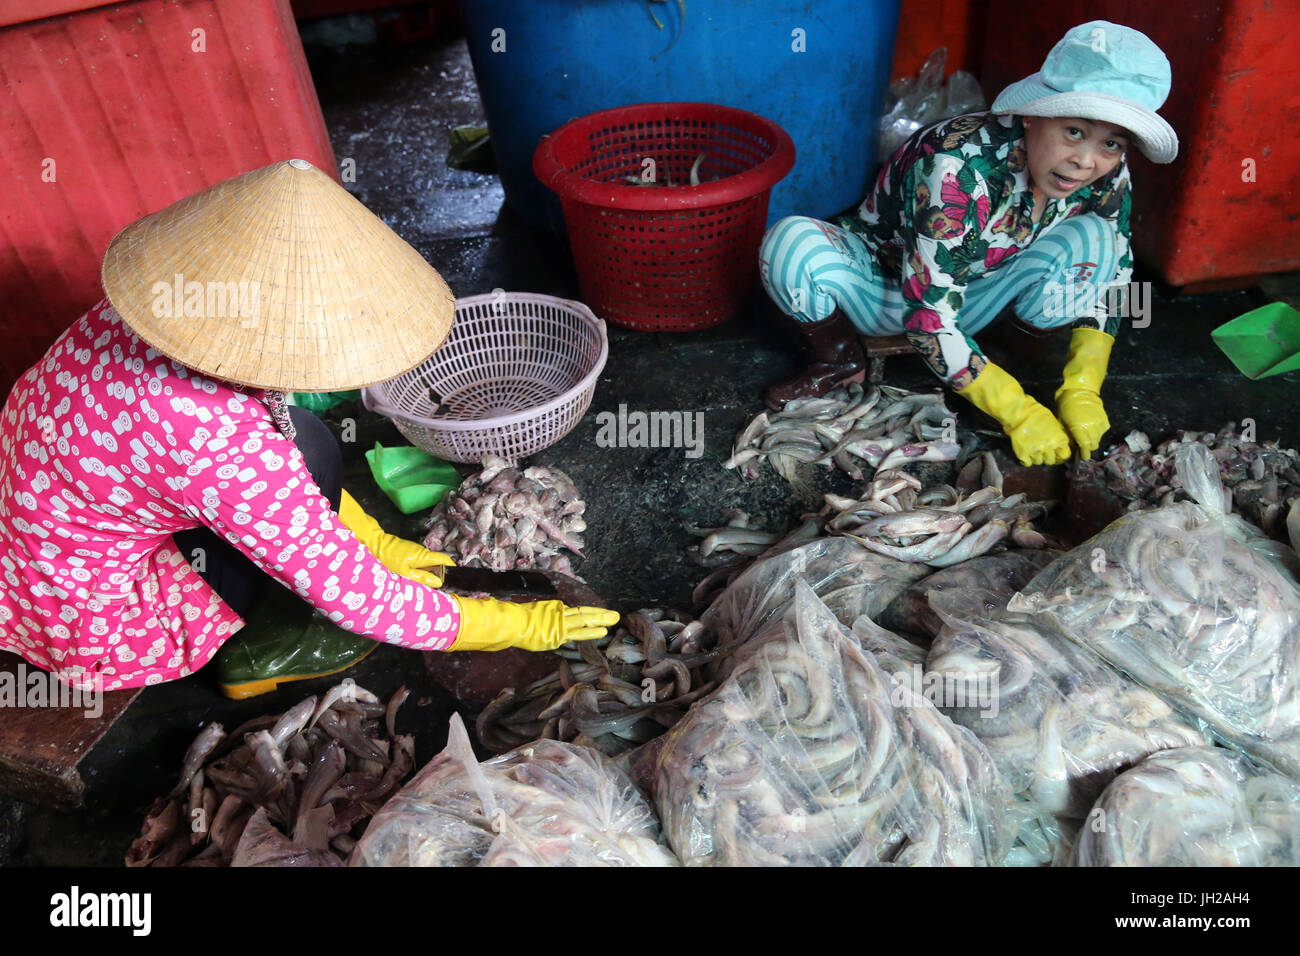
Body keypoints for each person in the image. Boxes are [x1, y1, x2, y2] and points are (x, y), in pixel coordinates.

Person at [0, 159, 617, 696]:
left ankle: (304, 568)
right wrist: (510, 625)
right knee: (306, 476)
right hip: (98, 621)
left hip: (34, 548)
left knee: (307, 443)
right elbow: (362, 598)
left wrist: (381, 544)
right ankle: (266, 648)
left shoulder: (162, 307)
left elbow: (268, 468)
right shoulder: (223, 448)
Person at [758, 20, 1178, 466]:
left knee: (1101, 242)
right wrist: (1014, 410)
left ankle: (996, 360)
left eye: (1111, 142)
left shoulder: (1107, 171)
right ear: (1035, 113)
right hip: (885, 290)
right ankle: (839, 361)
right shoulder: (956, 165)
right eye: (1074, 131)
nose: (1086, 160)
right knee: (788, 245)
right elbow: (927, 315)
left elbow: (1115, 275)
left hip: (980, 296)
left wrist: (1084, 386)